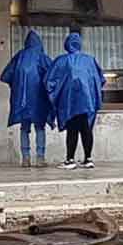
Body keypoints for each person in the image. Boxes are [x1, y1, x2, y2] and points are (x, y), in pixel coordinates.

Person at [46, 32, 105, 171]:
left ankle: (70, 160)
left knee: (72, 130)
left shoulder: (62, 61)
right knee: (86, 129)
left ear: (66, 44)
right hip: (87, 101)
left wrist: (54, 97)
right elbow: (100, 79)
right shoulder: (90, 60)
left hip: (70, 102)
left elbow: (50, 81)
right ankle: (88, 159)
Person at [0, 30, 53, 168]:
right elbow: (52, 75)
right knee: (40, 127)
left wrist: (16, 86)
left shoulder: (19, 56)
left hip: (21, 100)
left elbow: (6, 75)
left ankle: (25, 158)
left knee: (24, 128)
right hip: (39, 99)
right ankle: (40, 158)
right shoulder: (41, 57)